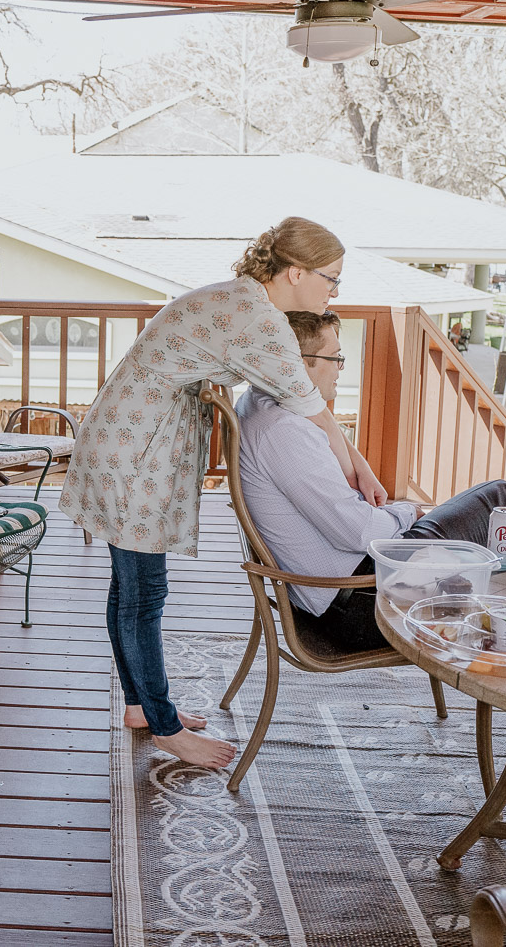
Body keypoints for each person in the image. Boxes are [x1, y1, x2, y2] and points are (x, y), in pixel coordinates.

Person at [60, 217, 384, 770]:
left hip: (129, 437)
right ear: (297, 271)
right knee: (143, 593)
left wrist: (357, 465)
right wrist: (364, 474)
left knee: (131, 588)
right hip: (135, 451)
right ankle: (164, 728)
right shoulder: (262, 321)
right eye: (331, 278)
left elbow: (308, 404)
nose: (333, 291)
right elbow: (318, 413)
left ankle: (142, 707)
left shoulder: (242, 300)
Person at [236, 310, 506, 758]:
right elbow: (360, 531)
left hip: (349, 586)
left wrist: (361, 471)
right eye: (336, 358)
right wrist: (407, 509)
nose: (342, 370)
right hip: (362, 603)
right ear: (301, 364)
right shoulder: (286, 432)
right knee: (501, 500)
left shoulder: (260, 403)